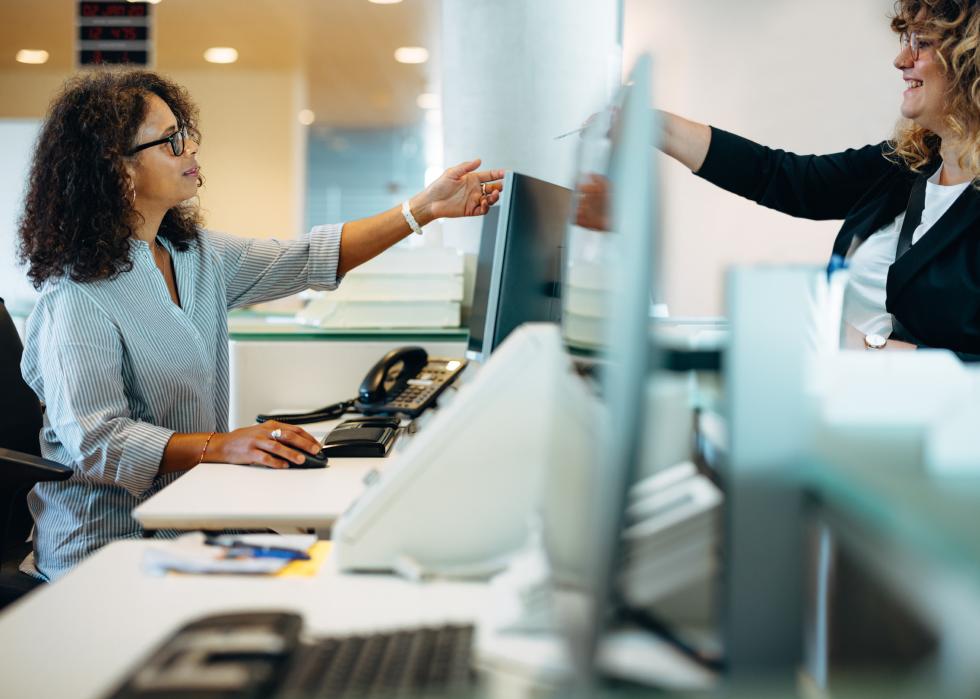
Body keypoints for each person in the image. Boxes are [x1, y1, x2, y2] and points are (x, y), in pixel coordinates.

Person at [16, 69, 503, 581]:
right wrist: (223, 445)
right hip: (107, 548)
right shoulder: (75, 296)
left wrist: (424, 209)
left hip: (195, 518)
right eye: (170, 141)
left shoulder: (194, 255)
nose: (190, 150)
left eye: (185, 134)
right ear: (118, 171)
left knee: (340, 564)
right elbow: (100, 442)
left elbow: (310, 256)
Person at [657, 0, 980, 357]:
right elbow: (782, 177)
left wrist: (871, 348)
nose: (901, 61)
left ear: (969, 58)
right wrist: (657, 127)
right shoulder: (904, 166)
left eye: (921, 43)